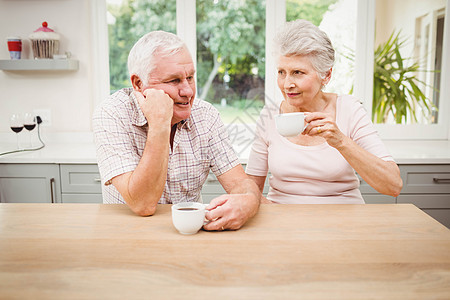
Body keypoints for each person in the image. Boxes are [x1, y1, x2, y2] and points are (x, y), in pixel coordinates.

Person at [93, 31, 260, 230]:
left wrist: (249, 201)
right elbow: (143, 204)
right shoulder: (112, 114)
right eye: (174, 81)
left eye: (190, 77)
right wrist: (159, 123)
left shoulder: (205, 116)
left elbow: (240, 183)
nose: (188, 91)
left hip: (187, 234)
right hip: (127, 234)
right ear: (139, 84)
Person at [245, 19, 403, 204]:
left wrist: (341, 141)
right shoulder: (270, 114)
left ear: (326, 75)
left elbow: (393, 185)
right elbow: (250, 189)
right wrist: (279, 215)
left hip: (343, 221)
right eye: (281, 72)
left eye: (298, 72)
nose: (287, 84)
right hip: (284, 222)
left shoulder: (349, 109)